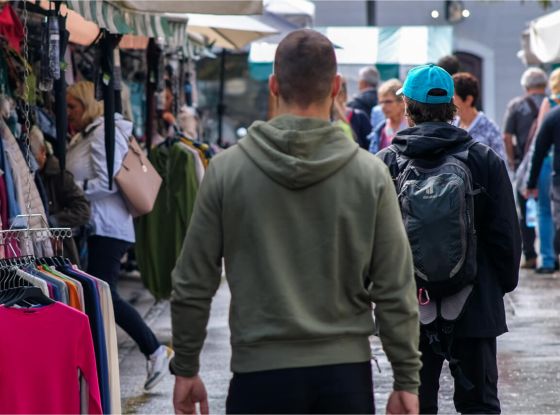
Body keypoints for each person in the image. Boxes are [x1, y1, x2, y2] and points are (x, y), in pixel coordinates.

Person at [170, 29, 421, 415]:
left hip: (259, 375)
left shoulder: (227, 171)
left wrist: (186, 366)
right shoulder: (369, 175)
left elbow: (193, 279)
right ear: (338, 87)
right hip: (345, 376)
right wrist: (406, 378)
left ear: (273, 85)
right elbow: (394, 285)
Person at [377, 64, 521, 414]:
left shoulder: (386, 163)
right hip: (474, 301)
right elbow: (507, 238)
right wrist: (494, 288)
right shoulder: (483, 159)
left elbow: (372, 243)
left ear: (408, 109)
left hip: (410, 305)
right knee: (479, 405)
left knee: (415, 404)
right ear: (453, 109)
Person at [65, 81, 173, 391]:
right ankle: (99, 361)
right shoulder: (89, 133)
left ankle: (153, 350)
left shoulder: (101, 134)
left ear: (86, 105)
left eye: (72, 106)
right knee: (96, 295)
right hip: (99, 226)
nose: (68, 112)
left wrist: (75, 193)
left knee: (104, 295)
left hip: (108, 226)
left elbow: (107, 182)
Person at [503, 67, 547, 269]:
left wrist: (513, 160)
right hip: (550, 165)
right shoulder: (553, 104)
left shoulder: (517, 105)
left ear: (525, 86)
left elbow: (506, 136)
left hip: (525, 166)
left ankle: (530, 255)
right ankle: (552, 253)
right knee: (550, 209)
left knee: (525, 211)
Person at [29, 126, 90, 266]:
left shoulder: (59, 176)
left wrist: (51, 222)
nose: (29, 161)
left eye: (32, 155)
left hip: (59, 252)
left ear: (43, 152)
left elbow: (83, 210)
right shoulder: (33, 174)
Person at [526, 71, 560, 270]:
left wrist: (531, 182)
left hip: (551, 166)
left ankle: (547, 259)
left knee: (545, 212)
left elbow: (539, 147)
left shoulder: (551, 107)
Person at [452, 72, 506, 160]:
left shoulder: (490, 129)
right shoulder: (452, 125)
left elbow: (501, 165)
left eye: (453, 98)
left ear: (468, 99)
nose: (449, 102)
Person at [368, 79, 408, 154]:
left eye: (388, 102)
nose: (383, 106)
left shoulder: (411, 128)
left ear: (402, 102)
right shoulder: (379, 131)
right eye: (381, 102)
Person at [332, 75, 372, 149]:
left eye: (338, 93)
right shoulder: (326, 119)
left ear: (344, 95)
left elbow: (369, 147)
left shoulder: (359, 116)